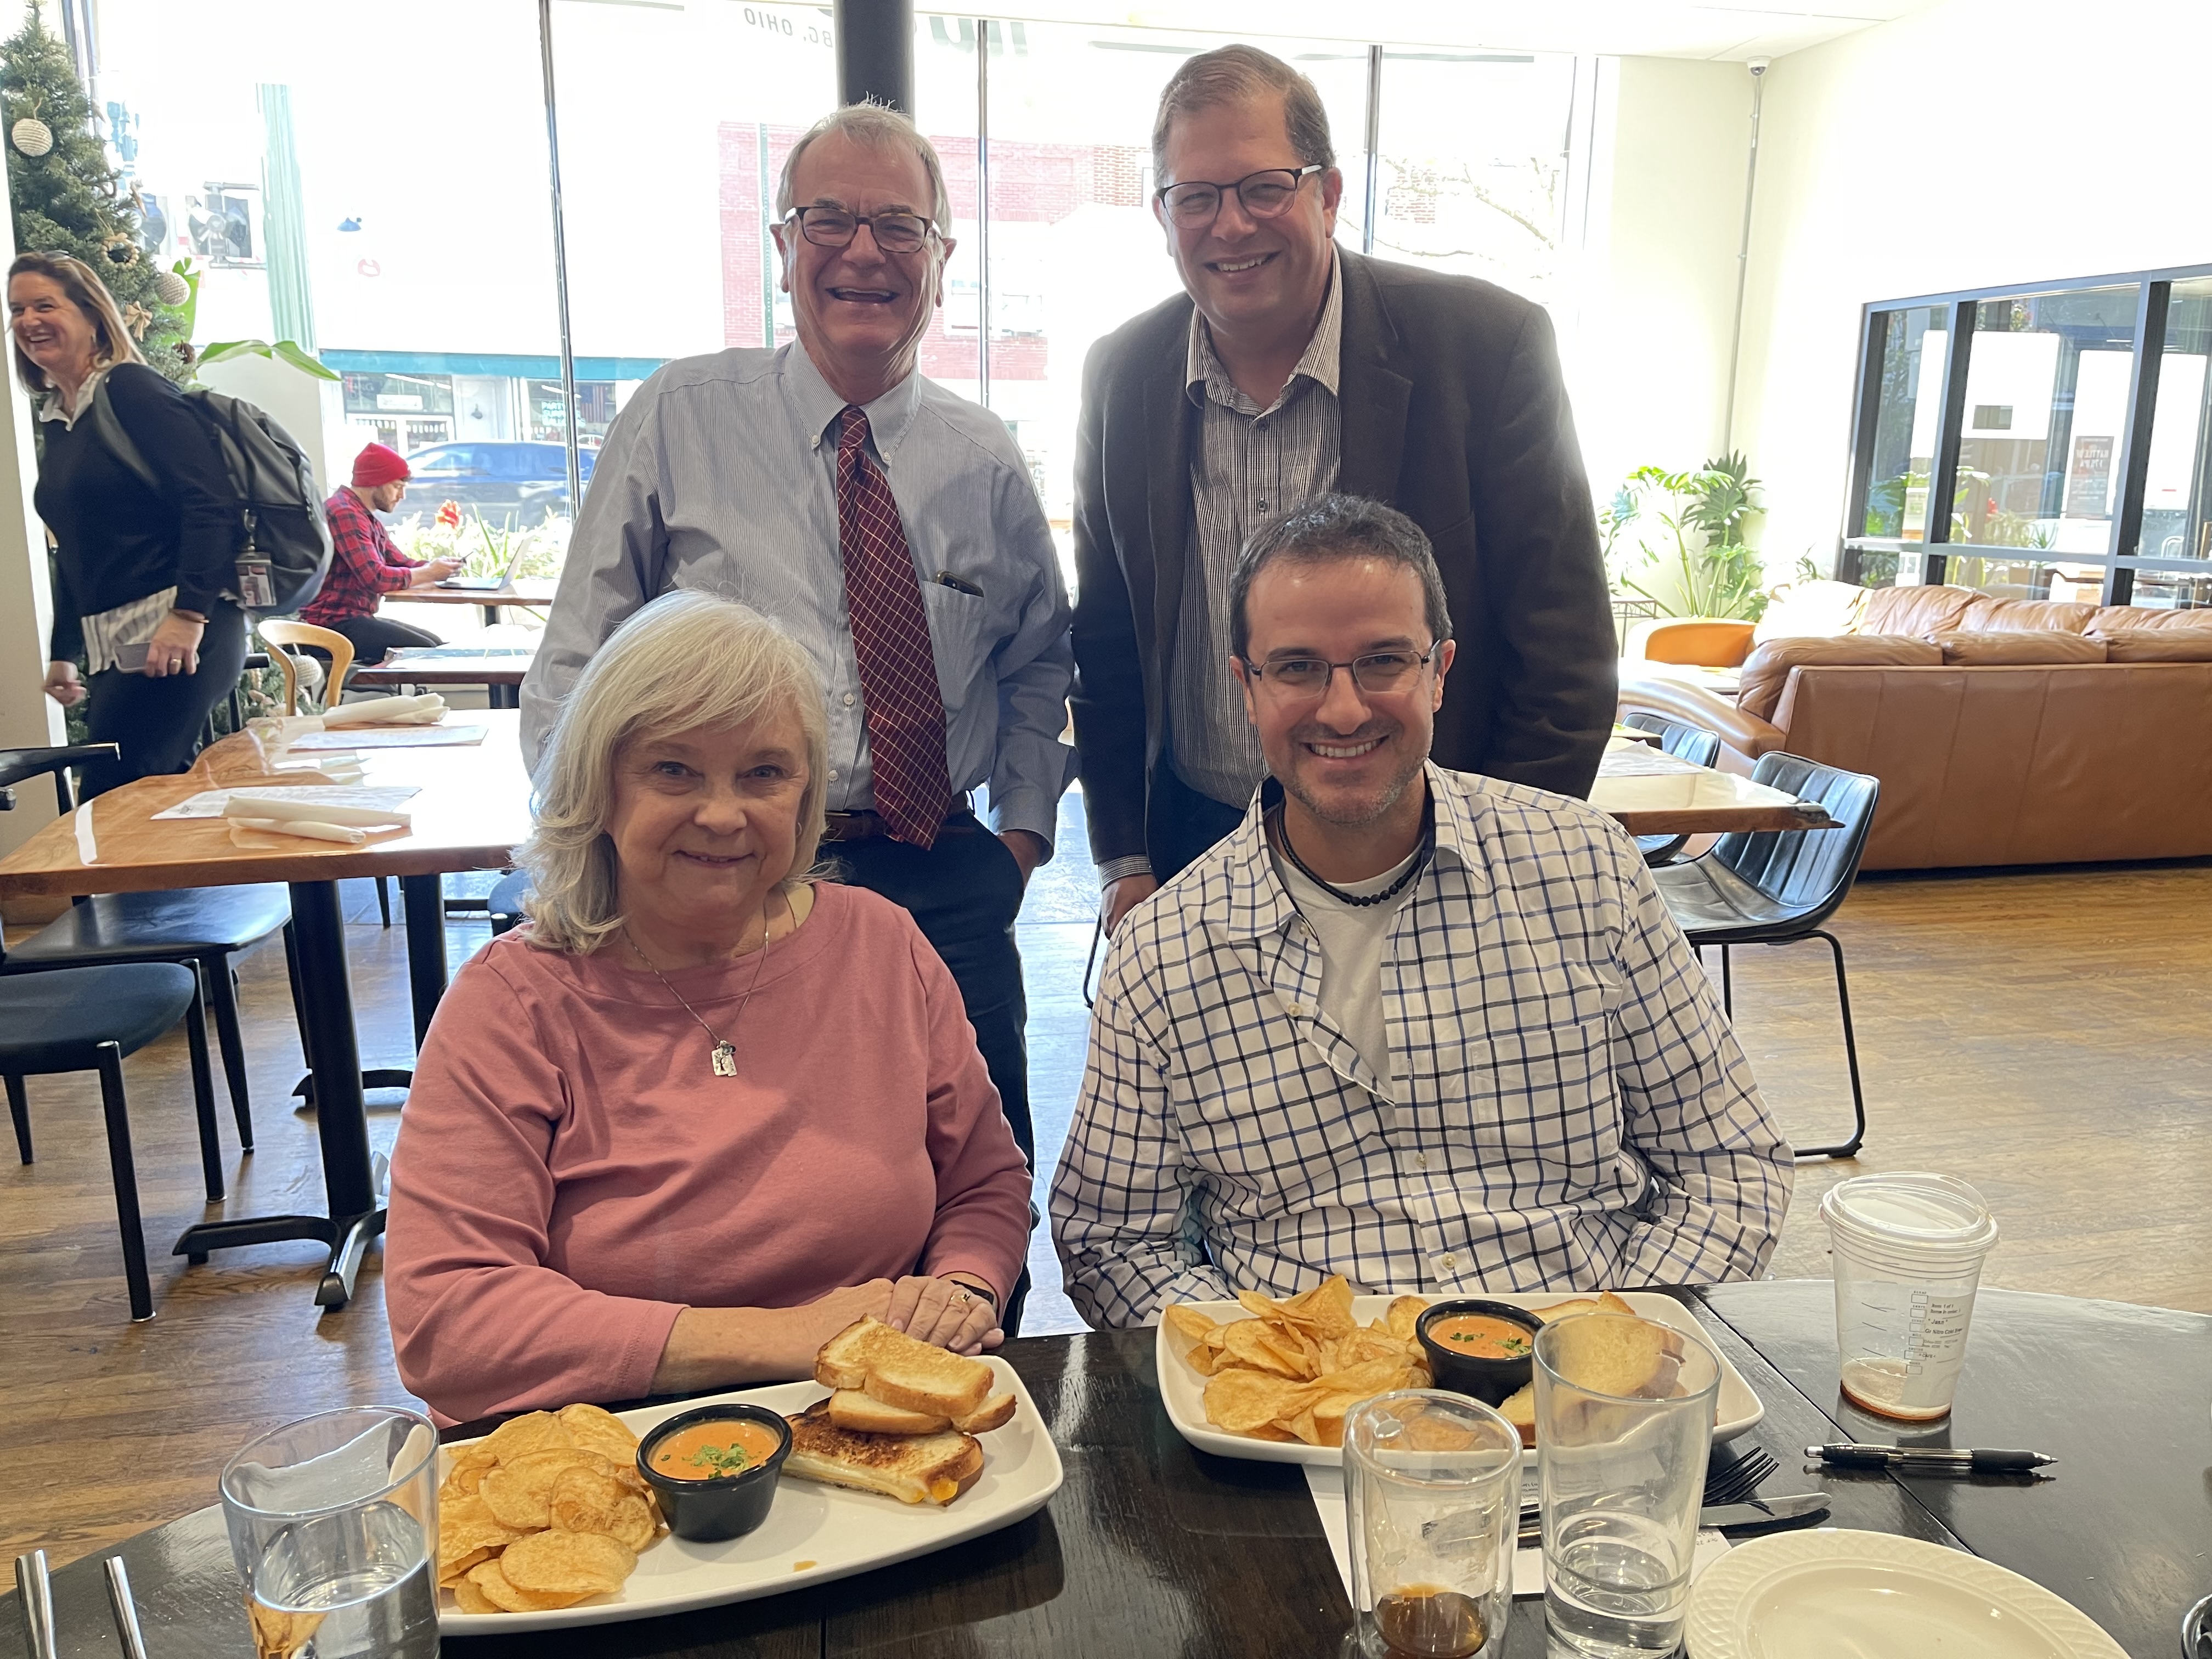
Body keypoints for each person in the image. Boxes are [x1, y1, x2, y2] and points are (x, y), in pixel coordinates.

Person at [1051, 495, 1790, 1329]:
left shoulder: (1588, 870)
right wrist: (1274, 1370)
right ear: (1245, 688)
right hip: (1307, 1412)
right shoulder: (1164, 951)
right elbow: (1111, 1244)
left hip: (1584, 1384)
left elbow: (1732, 1165)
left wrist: (1609, 1343)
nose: (1342, 709)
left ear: (1440, 671)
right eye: (1296, 667)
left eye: (1382, 662)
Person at [522, 102, 1071, 1179]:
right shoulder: (679, 417)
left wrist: (1021, 841)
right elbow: (575, 671)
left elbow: (1039, 661)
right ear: (782, 249)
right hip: (719, 880)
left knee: (974, 1187)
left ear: (943, 261)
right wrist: (591, 879)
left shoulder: (986, 457)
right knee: (745, 1193)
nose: (864, 251)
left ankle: (973, 1355)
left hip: (938, 875)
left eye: (900, 227)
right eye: (829, 219)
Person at [386, 591, 1032, 1425]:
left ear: (805, 795)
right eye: (673, 769)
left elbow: (984, 1181)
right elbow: (448, 1326)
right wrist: (792, 1339)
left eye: (764, 772)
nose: (724, 815)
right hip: (601, 1453)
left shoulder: (884, 945)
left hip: (860, 1420)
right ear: (599, 786)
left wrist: (960, 1288)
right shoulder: (511, 1005)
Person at [1072, 45, 1617, 936]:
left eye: (1262, 188)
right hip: (1195, 847)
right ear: (1162, 214)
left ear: (1327, 193)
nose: (1230, 226)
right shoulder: (1122, 374)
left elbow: (1564, 653)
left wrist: (1500, 859)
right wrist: (1125, 858)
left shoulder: (1485, 348)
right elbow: (1104, 636)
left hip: (1427, 847)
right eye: (1195, 197)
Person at [15, 252, 246, 799]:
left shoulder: (131, 390)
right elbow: (77, 546)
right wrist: (64, 650)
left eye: (45, 305)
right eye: (17, 309)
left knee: (122, 798)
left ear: (93, 315)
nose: (28, 321)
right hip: (119, 643)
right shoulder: (61, 417)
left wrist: (189, 616)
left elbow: (212, 503)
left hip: (180, 630)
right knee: (147, 799)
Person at [298, 442, 460, 662]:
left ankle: (416, 697)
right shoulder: (345, 513)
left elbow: (398, 562)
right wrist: (430, 573)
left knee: (435, 645)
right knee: (427, 652)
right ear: (373, 483)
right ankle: (408, 697)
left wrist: (440, 567)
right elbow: (376, 578)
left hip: (350, 619)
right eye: (396, 486)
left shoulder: (362, 515)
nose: (402, 495)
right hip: (331, 625)